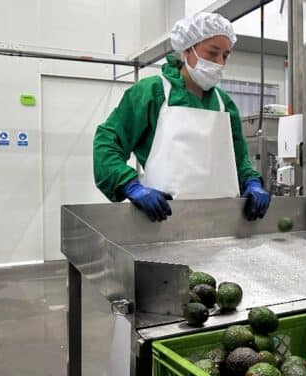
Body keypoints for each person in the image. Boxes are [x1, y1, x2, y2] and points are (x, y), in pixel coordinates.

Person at [93, 12, 270, 222]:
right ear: (188, 49)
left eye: (225, 55)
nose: (219, 63)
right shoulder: (153, 92)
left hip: (222, 224)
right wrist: (131, 185)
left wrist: (251, 182)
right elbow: (107, 142)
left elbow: (239, 158)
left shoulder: (224, 104)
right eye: (213, 53)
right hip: (162, 221)